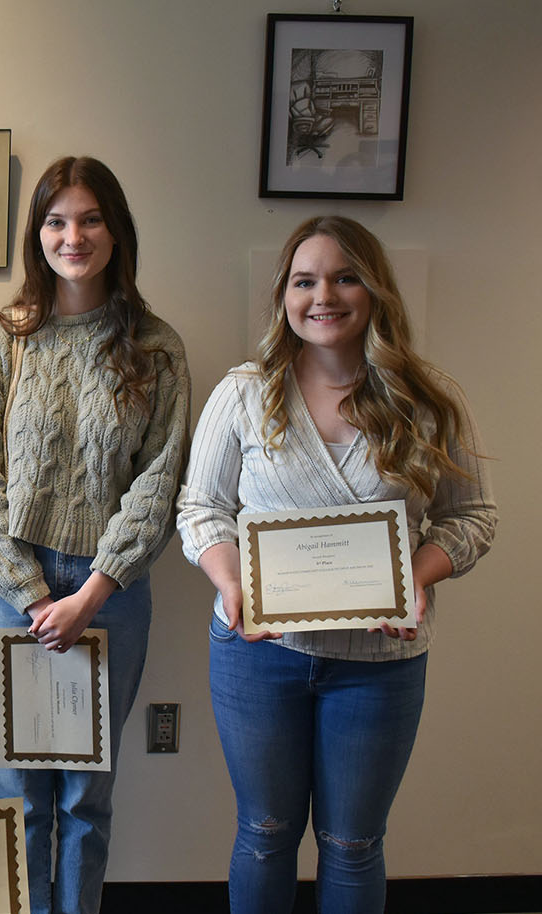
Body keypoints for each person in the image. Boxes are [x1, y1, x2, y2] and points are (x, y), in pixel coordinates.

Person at [176, 216, 496, 913]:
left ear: (375, 289)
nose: (325, 295)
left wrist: (417, 576)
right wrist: (231, 584)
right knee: (264, 833)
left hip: (379, 663)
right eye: (305, 280)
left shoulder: (428, 399)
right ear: (285, 296)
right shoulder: (243, 392)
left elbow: (474, 517)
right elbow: (201, 509)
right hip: (260, 654)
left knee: (353, 844)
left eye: (345, 276)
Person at [0, 155, 191, 914]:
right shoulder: (6, 338)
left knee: (87, 798)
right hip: (10, 588)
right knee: (18, 792)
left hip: (110, 593)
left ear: (116, 230)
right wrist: (28, 593)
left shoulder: (156, 347)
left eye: (90, 219)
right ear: (38, 235)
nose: (73, 235)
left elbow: (159, 481)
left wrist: (92, 592)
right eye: (57, 221)